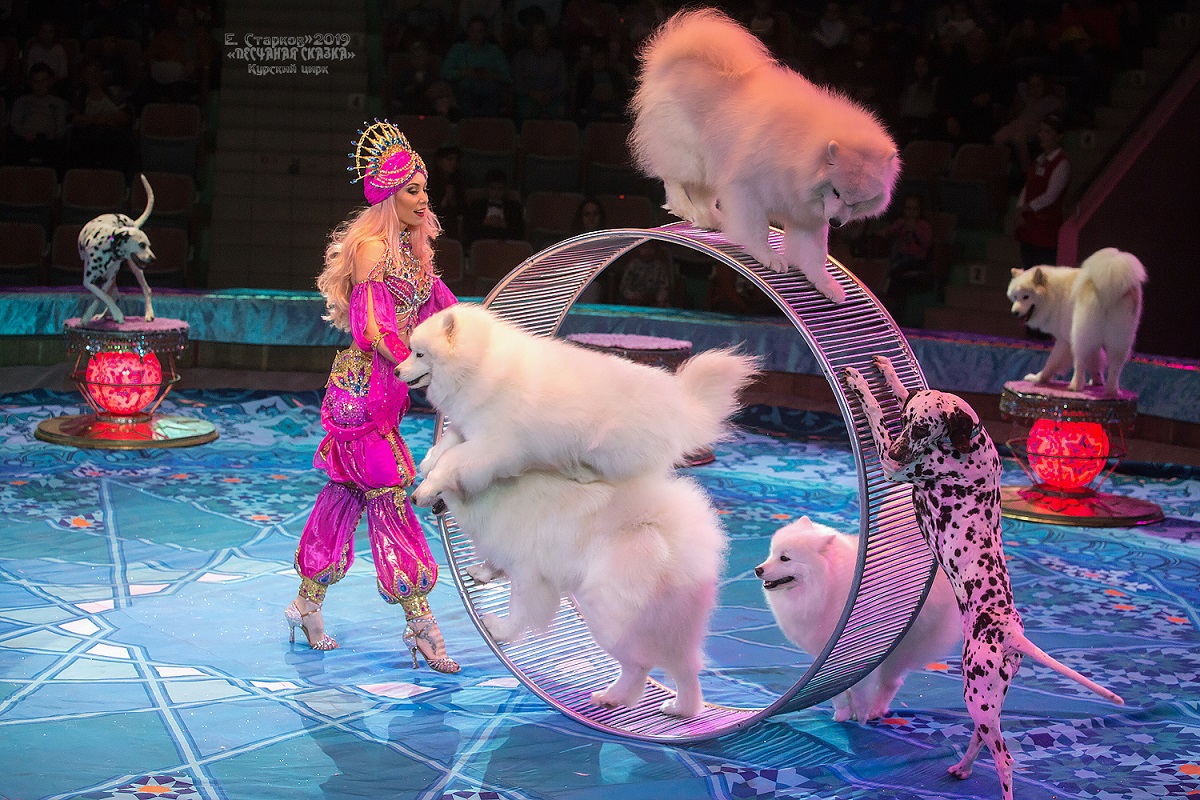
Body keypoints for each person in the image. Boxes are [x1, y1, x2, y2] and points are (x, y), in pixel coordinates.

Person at [287, 121, 460, 673]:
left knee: (343, 498)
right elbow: (372, 331)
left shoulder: (417, 255)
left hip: (389, 396)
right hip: (361, 397)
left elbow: (448, 315)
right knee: (391, 490)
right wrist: (418, 362)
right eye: (412, 189)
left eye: (425, 188)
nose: (422, 198)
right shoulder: (371, 249)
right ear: (387, 194)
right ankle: (422, 624)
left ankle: (305, 606)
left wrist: (484, 340)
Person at [1014, 115, 1071, 268]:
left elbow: (1051, 195)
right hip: (1029, 227)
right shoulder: (1038, 161)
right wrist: (1019, 209)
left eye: (1047, 132)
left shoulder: (1062, 163)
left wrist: (1027, 208)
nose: (1041, 135)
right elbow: (1028, 186)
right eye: (1041, 131)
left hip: (1046, 229)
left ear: (1058, 136)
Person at [462, 168, 525, 246]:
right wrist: (484, 223)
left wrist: (505, 225)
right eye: (492, 188)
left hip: (507, 247)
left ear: (505, 189)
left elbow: (520, 234)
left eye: (500, 189)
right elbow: (468, 232)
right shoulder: (476, 206)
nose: (496, 192)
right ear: (487, 188)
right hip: (482, 247)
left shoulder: (514, 207)